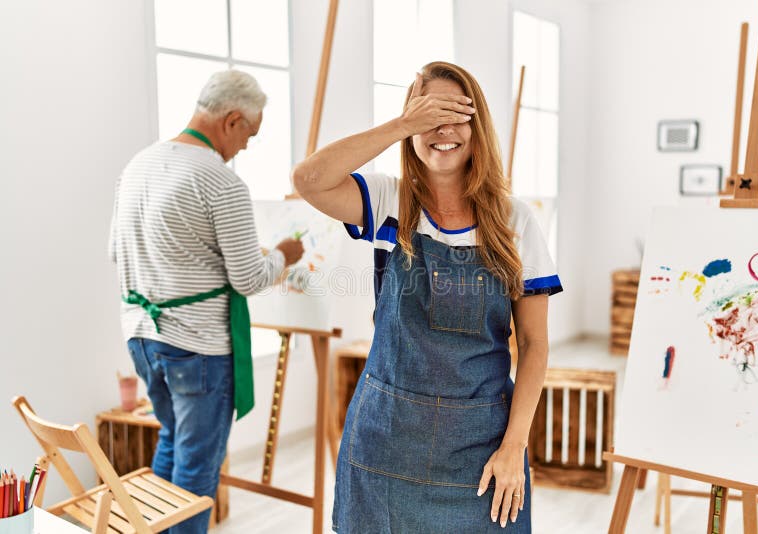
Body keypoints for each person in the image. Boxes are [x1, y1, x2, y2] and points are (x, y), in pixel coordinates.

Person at [293, 61, 563, 532]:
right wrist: (401, 124)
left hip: (481, 450)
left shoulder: (514, 221)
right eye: (429, 114)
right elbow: (309, 180)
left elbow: (536, 345)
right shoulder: (388, 203)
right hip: (386, 441)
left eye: (457, 114)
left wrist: (514, 447)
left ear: (477, 127)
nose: (444, 130)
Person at [109, 69, 304, 533]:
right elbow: (250, 277)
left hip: (141, 335)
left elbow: (117, 252)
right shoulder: (221, 182)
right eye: (249, 135)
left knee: (173, 443)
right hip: (196, 348)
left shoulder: (139, 164)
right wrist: (283, 255)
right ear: (233, 119)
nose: (245, 147)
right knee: (198, 468)